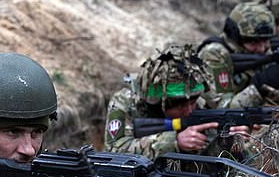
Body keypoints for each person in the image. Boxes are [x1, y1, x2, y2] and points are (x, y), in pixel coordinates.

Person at [104, 44, 250, 160]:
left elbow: (204, 162)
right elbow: (115, 150)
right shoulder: (126, 102)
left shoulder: (195, 102)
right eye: (180, 106)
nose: (189, 111)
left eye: (192, 102)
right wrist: (174, 142)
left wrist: (225, 143)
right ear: (157, 102)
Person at [197, 2, 279, 109]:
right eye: (254, 43)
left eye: (266, 40)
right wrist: (257, 89)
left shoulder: (262, 51)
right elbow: (223, 108)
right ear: (236, 38)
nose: (262, 49)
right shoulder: (214, 54)